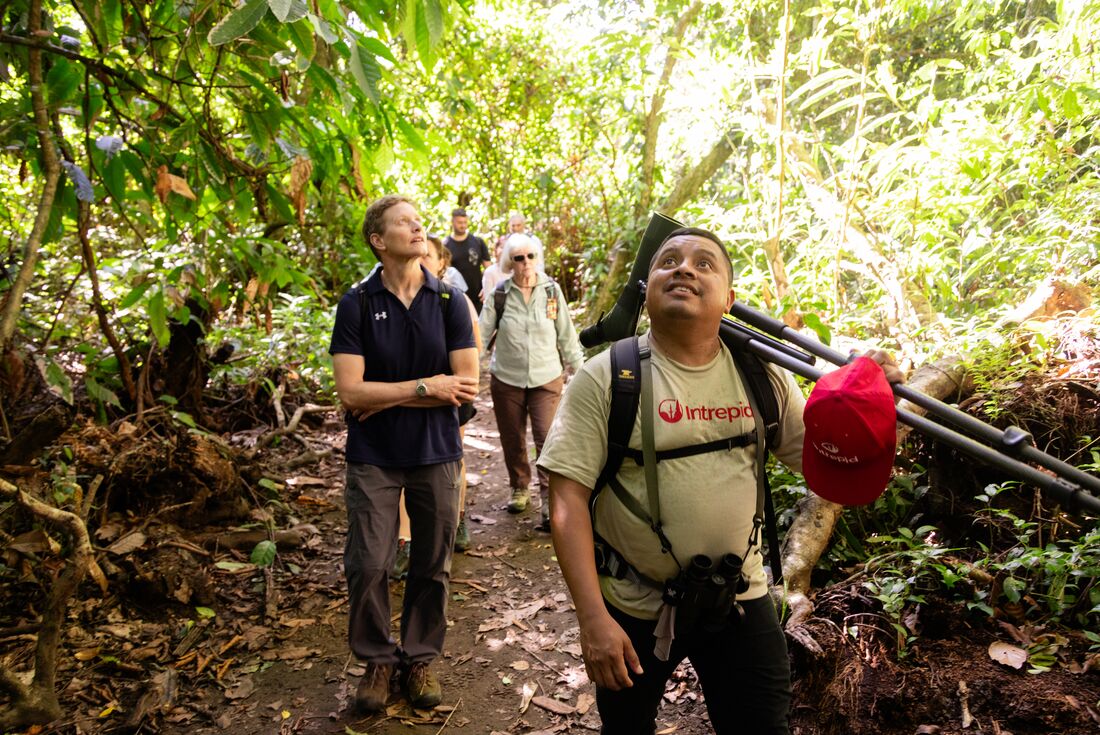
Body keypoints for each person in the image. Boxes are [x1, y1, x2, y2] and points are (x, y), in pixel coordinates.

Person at [537, 227, 903, 734]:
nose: (684, 268)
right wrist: (593, 619)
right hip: (632, 602)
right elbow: (567, 501)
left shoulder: (763, 376)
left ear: (729, 299)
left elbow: (828, 468)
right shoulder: (608, 377)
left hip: (740, 595)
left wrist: (880, 413)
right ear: (647, 289)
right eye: (669, 261)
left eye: (704, 263)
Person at [329, 195, 478, 713]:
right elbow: (351, 393)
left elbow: (467, 384)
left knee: (432, 562)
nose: (418, 229)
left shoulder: (449, 302)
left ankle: (418, 657)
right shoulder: (356, 304)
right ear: (378, 240)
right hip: (373, 454)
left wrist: (388, 392)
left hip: (437, 451)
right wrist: (424, 388)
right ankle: (376, 660)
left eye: (419, 222)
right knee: (369, 562)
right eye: (404, 224)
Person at [479, 233, 583, 531]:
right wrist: (467, 371)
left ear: (538, 258)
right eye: (518, 258)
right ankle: (519, 487)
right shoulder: (501, 294)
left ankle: (550, 503)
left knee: (546, 438)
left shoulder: (551, 291)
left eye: (531, 256)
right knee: (512, 437)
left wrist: (581, 369)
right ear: (509, 263)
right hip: (506, 378)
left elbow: (566, 334)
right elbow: (482, 335)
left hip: (546, 377)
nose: (526, 263)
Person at [393, 235, 482, 577]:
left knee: (452, 458)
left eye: (425, 255)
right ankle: (405, 539)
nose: (419, 260)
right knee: (404, 461)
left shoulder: (455, 301)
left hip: (451, 394)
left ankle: (456, 521)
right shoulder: (399, 299)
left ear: (440, 262)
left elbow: (472, 353)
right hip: (409, 395)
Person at [443, 207, 491, 312]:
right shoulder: (445, 245)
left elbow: (489, 269)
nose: (463, 225)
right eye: (460, 222)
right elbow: (442, 272)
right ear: (452, 222)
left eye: (465, 222)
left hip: (478, 298)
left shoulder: (478, 242)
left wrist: (487, 288)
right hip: (456, 299)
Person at [480, 238, 506, 303]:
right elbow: (488, 300)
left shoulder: (516, 270)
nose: (505, 250)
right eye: (502, 247)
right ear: (496, 250)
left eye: (508, 247)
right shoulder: (490, 271)